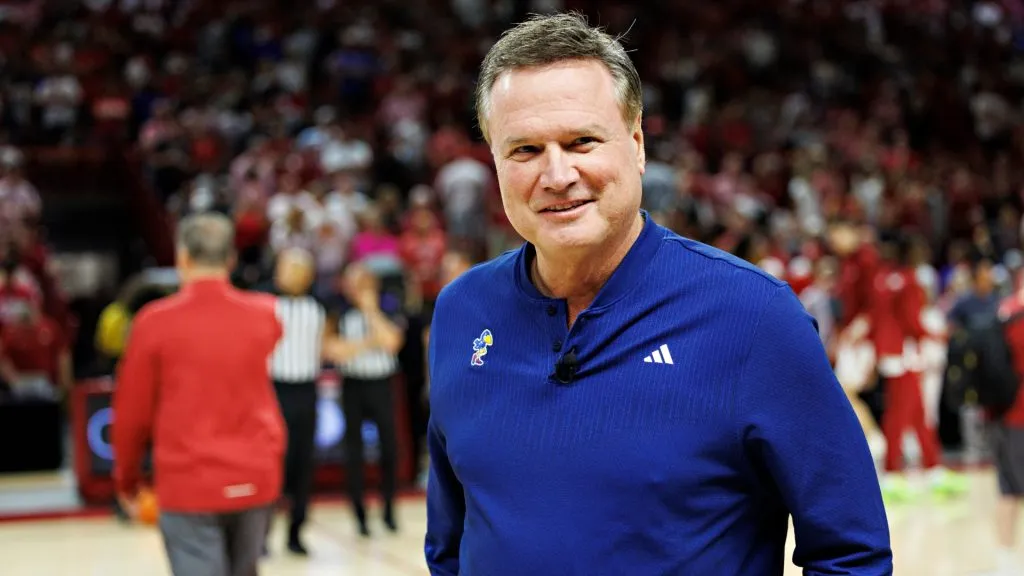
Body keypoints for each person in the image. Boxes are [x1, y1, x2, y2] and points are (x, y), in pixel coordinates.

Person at [425, 12, 892, 575]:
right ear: (496, 164)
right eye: (524, 150)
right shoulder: (459, 312)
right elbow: (450, 547)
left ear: (638, 145)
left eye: (581, 141)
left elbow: (851, 554)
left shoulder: (753, 317)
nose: (556, 174)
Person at [112, 212, 285, 576]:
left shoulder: (154, 322)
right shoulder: (266, 315)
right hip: (256, 475)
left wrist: (127, 480)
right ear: (231, 259)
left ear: (183, 258)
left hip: (189, 481)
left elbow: (132, 414)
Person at [260, 247, 327, 555]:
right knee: (271, 465)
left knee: (303, 465)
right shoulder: (265, 306)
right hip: (275, 391)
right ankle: (261, 534)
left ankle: (296, 532)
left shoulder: (319, 308)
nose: (291, 275)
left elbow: (326, 347)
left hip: (307, 391)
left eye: (298, 269)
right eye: (287, 268)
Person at [330, 262, 405, 536]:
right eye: (353, 284)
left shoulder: (387, 305)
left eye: (363, 284)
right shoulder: (338, 310)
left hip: (381, 384)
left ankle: (388, 509)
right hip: (353, 385)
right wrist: (369, 343)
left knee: (389, 448)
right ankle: (359, 514)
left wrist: (371, 311)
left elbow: (393, 342)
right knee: (354, 451)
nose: (358, 290)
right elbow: (335, 352)